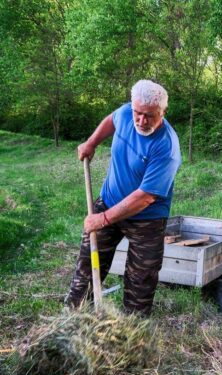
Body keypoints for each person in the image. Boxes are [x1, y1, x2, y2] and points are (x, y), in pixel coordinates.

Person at [65, 80, 182, 316]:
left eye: (149, 116)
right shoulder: (126, 114)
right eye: (137, 113)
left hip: (146, 219)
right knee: (88, 265)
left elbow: (145, 197)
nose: (141, 121)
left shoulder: (166, 148)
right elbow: (112, 119)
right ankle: (72, 319)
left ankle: (132, 332)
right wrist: (91, 142)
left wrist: (104, 219)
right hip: (109, 200)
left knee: (140, 281)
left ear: (163, 112)